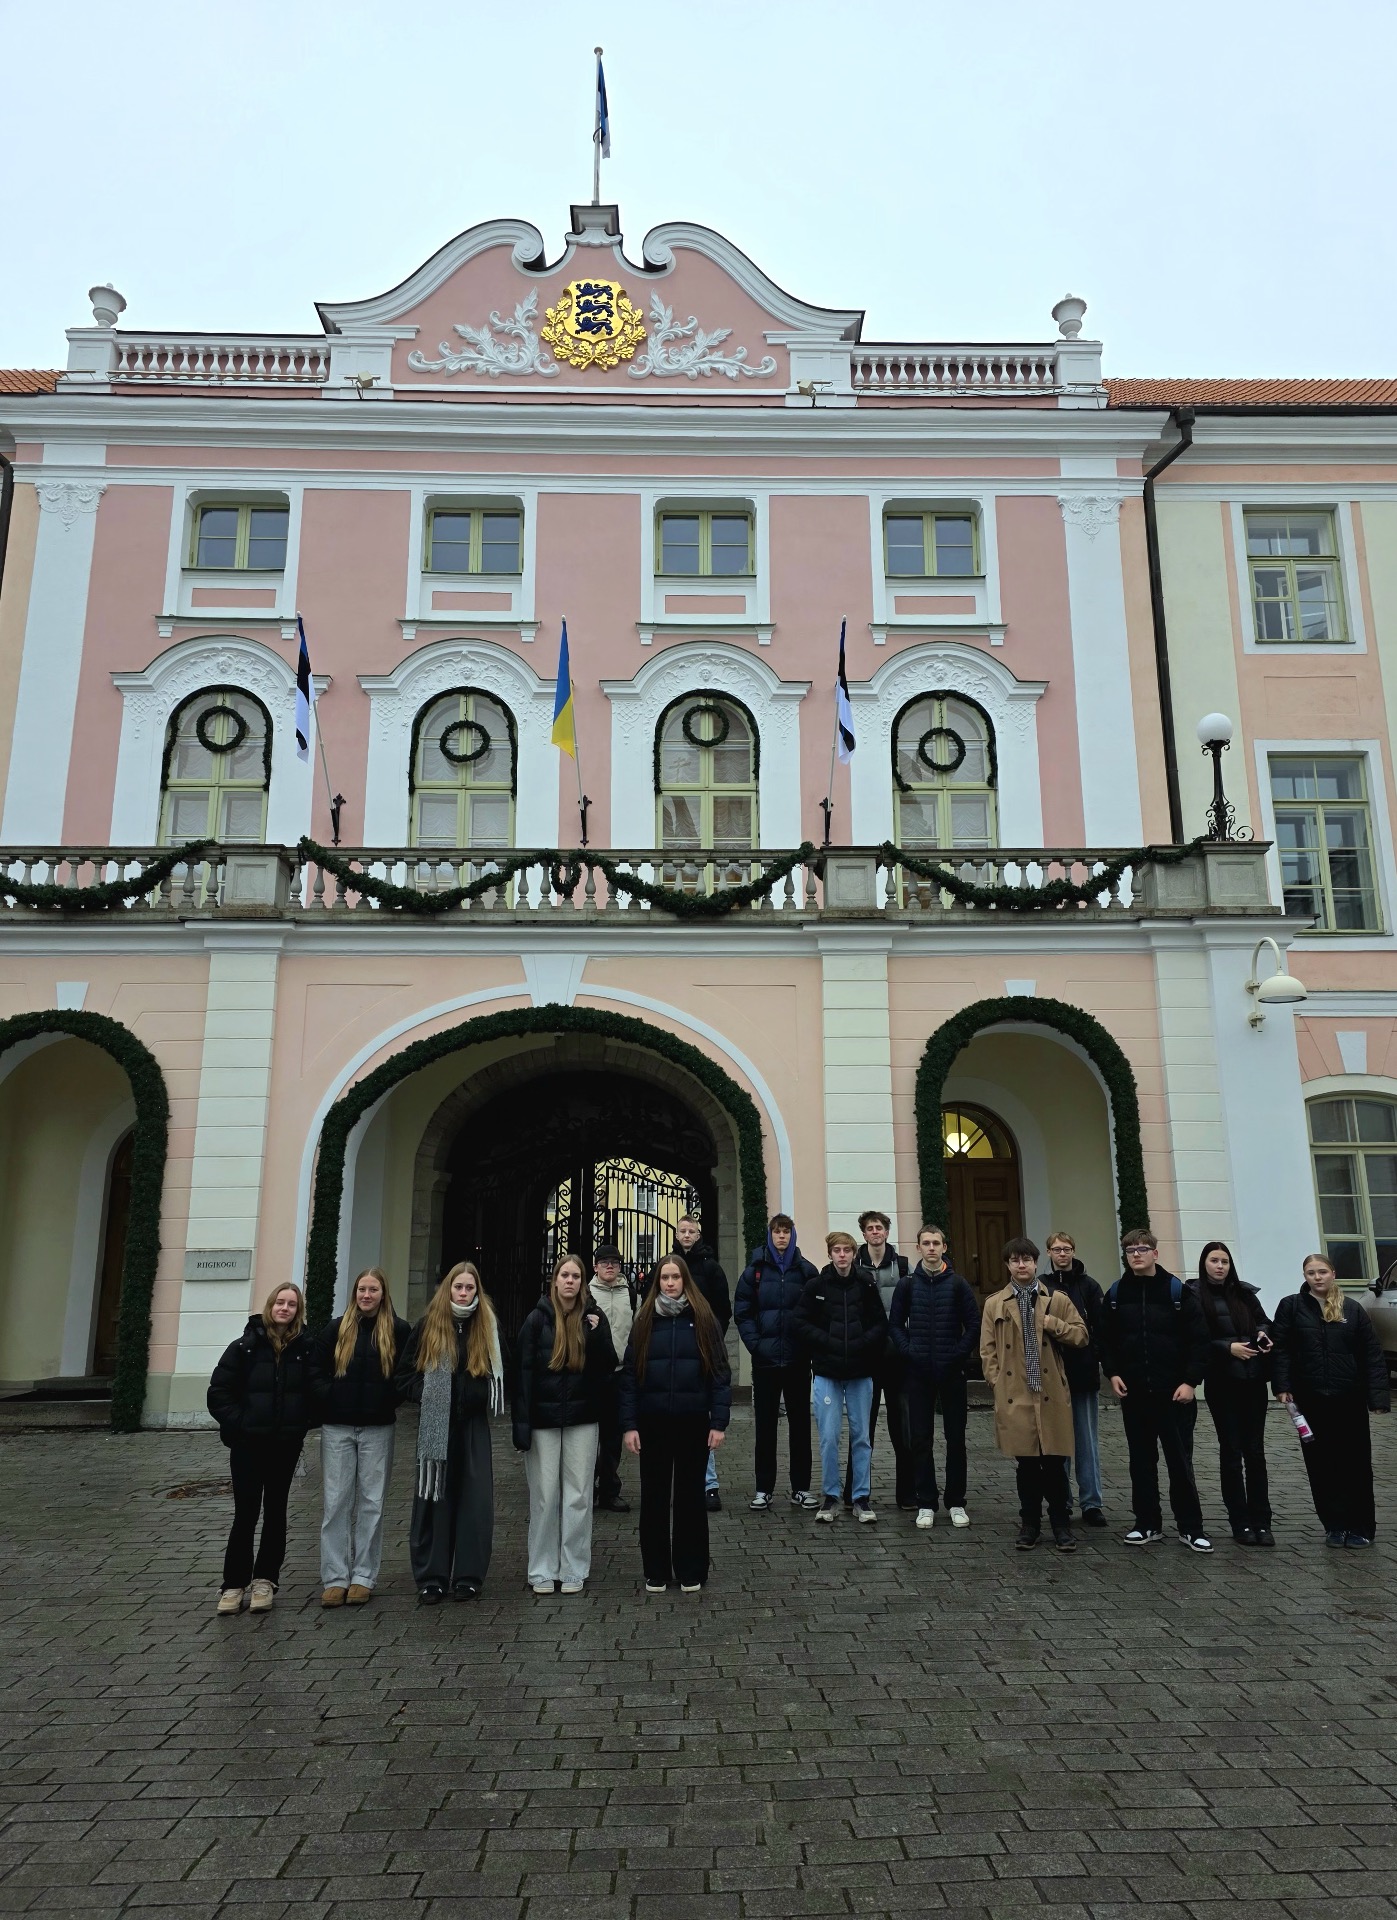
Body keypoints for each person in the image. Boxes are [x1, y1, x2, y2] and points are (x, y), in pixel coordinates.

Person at [620, 1253, 732, 1591]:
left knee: (690, 1498)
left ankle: (691, 1568)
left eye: (676, 1277)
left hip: (692, 1420)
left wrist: (718, 1422)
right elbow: (629, 1376)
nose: (670, 1283)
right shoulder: (644, 1321)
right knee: (654, 1497)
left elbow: (720, 1373)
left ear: (685, 1280)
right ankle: (656, 1569)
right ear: (658, 1282)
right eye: (665, 1277)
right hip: (652, 1421)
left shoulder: (703, 1319)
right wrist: (629, 1424)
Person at [396, 1262, 505, 1603]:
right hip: (435, 1425)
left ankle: (469, 1576)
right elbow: (404, 1374)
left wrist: (477, 1394)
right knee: (434, 1500)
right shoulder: (428, 1325)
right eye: (458, 1286)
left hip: (473, 1425)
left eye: (469, 1287)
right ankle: (432, 1577)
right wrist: (426, 1394)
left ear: (477, 1291)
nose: (463, 1292)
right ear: (448, 1289)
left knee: (475, 1502)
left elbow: (503, 1372)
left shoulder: (487, 1326)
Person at [207, 1282, 317, 1615]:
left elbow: (317, 1392)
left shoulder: (306, 1349)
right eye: (280, 1302)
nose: (285, 1308)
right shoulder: (244, 1347)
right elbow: (218, 1393)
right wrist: (242, 1423)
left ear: (298, 1311)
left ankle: (265, 1580)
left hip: (285, 1445)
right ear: (270, 1306)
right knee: (245, 1513)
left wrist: (300, 1423)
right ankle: (233, 1584)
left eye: (292, 1304)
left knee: (276, 1512)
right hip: (248, 1445)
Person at [1099, 1228, 1212, 1551]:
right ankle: (1147, 1523)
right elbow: (1105, 1338)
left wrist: (1190, 1382)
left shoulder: (1177, 1291)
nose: (1136, 1255)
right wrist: (1112, 1373)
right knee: (1141, 1462)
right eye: (1130, 1250)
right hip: (1134, 1394)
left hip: (1174, 1394)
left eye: (1142, 1249)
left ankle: (1190, 1527)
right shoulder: (1116, 1293)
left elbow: (1199, 1340)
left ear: (1155, 1253)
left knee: (1180, 1462)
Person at [513, 1253, 617, 1593]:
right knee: (544, 1496)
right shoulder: (536, 1320)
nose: (570, 1281)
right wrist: (521, 1425)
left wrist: (597, 1336)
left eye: (575, 1276)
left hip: (582, 1419)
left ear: (582, 1282)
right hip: (543, 1421)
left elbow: (608, 1366)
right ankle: (542, 1568)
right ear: (555, 1281)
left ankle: (573, 1567)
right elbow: (522, 1374)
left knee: (578, 1495)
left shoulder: (594, 1317)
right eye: (565, 1275)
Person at [1272, 1251, 1390, 1547]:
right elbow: (1281, 1349)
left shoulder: (1352, 1308)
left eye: (1322, 1271)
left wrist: (1377, 1397)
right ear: (1305, 1276)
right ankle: (1335, 1525)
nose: (1317, 1277)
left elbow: (1371, 1354)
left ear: (1333, 1274)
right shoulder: (1291, 1306)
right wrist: (1282, 1385)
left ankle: (1361, 1527)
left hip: (1348, 1399)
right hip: (1311, 1400)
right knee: (1321, 1465)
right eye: (1311, 1273)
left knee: (1356, 1465)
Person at [309, 1267, 412, 1606]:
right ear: (354, 1293)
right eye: (362, 1289)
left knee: (372, 1503)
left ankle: (364, 1576)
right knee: (336, 1502)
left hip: (378, 1428)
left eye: (373, 1290)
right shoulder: (336, 1328)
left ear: (383, 1294)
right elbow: (315, 1370)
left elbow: (406, 1373)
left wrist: (387, 1400)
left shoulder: (398, 1330)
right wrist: (331, 1397)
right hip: (337, 1428)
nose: (367, 1295)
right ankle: (335, 1577)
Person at [981, 1239, 1088, 1551]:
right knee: (1026, 1465)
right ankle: (1030, 1523)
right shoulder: (995, 1303)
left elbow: (1081, 1335)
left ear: (1036, 1262)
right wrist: (996, 1381)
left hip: (1050, 1392)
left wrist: (1052, 1323)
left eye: (1026, 1259)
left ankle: (1061, 1524)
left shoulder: (1056, 1299)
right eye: (1015, 1260)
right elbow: (987, 1349)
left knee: (1055, 1463)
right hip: (1016, 1393)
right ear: (1008, 1265)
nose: (1021, 1265)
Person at [888, 1225, 978, 1531]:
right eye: (926, 1243)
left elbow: (973, 1325)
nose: (931, 1248)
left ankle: (956, 1502)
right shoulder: (907, 1285)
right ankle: (925, 1502)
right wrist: (909, 1350)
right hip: (918, 1372)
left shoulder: (958, 1284)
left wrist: (957, 1354)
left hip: (952, 1372)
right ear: (918, 1247)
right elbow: (895, 1324)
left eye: (936, 1243)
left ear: (944, 1247)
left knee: (956, 1439)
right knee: (920, 1439)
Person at [795, 1231, 888, 1522]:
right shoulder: (816, 1285)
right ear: (830, 1254)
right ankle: (831, 1497)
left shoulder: (866, 1283)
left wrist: (863, 1343)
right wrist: (825, 1341)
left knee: (862, 1437)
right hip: (827, 1372)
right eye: (837, 1250)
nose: (842, 1255)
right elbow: (800, 1322)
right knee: (828, 1437)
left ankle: (861, 1498)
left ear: (853, 1253)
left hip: (861, 1372)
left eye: (847, 1250)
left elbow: (880, 1323)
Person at [734, 1214, 820, 1512]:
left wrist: (807, 1344)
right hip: (766, 1362)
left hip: (798, 1361)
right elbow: (743, 1312)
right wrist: (757, 1346)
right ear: (770, 1236)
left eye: (786, 1232)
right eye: (776, 1232)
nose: (781, 1236)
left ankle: (801, 1488)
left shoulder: (807, 1270)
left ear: (792, 1236)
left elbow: (817, 1313)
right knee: (765, 1428)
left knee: (801, 1427)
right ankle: (763, 1489)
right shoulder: (754, 1271)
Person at [1195, 1241, 1276, 1546]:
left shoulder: (1244, 1293)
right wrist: (1227, 1348)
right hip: (1222, 1383)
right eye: (1214, 1260)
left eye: (1224, 1261)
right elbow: (1195, 1338)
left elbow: (1264, 1321)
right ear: (1204, 1263)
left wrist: (1264, 1334)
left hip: (1253, 1381)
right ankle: (1240, 1522)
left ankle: (1262, 1522)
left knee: (1255, 1453)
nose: (1220, 1266)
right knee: (1231, 1452)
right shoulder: (1195, 1296)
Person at [847, 1211, 912, 1509]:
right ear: (863, 1234)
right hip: (865, 1358)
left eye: (879, 1228)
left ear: (887, 1232)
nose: (875, 1232)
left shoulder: (903, 1266)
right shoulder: (853, 1266)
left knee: (902, 1427)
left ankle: (907, 1494)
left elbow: (912, 1307)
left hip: (897, 1358)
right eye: (870, 1228)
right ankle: (854, 1492)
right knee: (862, 1427)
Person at [1041, 1232, 1107, 1527]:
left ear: (1073, 1251)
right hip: (1052, 1374)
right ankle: (1062, 1501)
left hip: (1082, 1371)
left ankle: (1091, 1503)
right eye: (1056, 1249)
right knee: (1058, 1442)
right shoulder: (1042, 1285)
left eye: (1066, 1249)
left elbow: (1100, 1327)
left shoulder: (1089, 1286)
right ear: (1049, 1253)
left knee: (1086, 1441)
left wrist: (1095, 1356)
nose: (1062, 1254)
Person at [673, 1213, 732, 1511]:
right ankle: (680, 1484)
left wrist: (711, 1339)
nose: (686, 1235)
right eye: (682, 1231)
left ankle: (709, 1484)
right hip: (674, 1351)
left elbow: (723, 1310)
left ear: (698, 1235)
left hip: (703, 1350)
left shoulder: (711, 1268)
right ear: (676, 1234)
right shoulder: (669, 1266)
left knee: (703, 1417)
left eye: (691, 1231)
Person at [589, 1241, 635, 1515]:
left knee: (613, 1437)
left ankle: (609, 1489)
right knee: (588, 1436)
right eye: (605, 1262)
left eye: (615, 1263)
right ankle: (586, 1488)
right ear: (595, 1267)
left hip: (619, 1374)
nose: (610, 1266)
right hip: (591, 1375)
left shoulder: (629, 1292)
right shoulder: (586, 1293)